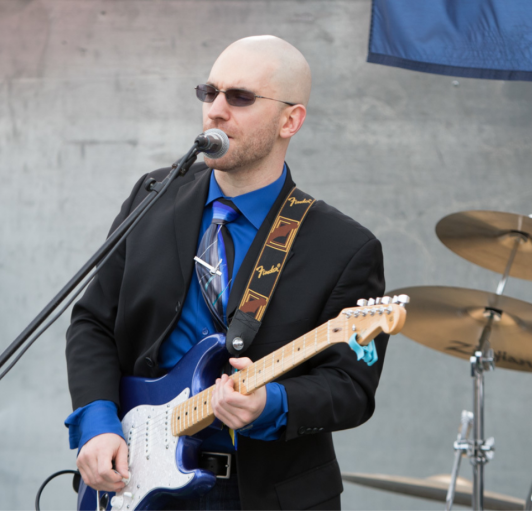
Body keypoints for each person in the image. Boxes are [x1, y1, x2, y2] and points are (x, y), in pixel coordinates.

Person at [65, 35, 387, 510]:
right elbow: (93, 321)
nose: (216, 110)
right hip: (135, 473)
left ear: (290, 120)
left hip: (263, 494)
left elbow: (351, 388)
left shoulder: (344, 247)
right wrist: (96, 423)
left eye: (240, 97)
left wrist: (269, 403)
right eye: (209, 92)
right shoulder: (153, 196)